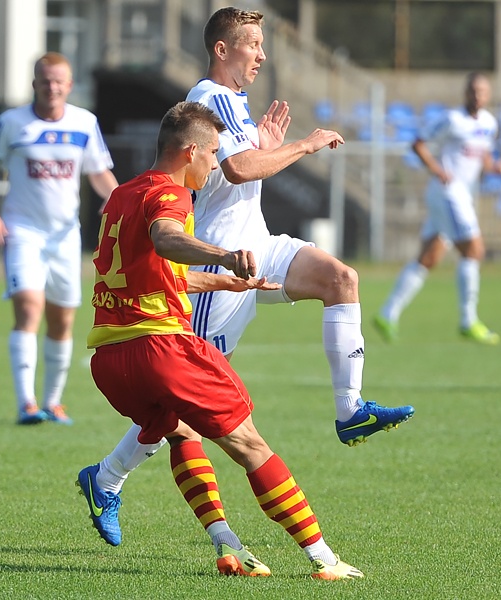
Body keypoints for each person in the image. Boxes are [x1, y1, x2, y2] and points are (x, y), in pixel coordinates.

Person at [76, 6, 413, 547]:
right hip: (219, 256)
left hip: (258, 242)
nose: (262, 54)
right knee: (177, 408)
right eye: (253, 44)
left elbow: (238, 167)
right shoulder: (209, 97)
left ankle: (350, 411)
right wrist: (299, 146)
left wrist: (261, 140)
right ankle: (108, 478)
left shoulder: (231, 103)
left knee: (340, 279)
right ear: (221, 49)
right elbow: (235, 169)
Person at [83, 100, 363, 579]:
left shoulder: (122, 195)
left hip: (111, 359)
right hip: (158, 349)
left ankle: (227, 545)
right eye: (212, 154)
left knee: (182, 432)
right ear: (190, 151)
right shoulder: (171, 196)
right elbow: (167, 239)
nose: (215, 164)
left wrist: (230, 282)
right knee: (251, 445)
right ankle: (324, 559)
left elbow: (157, 272)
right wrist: (225, 255)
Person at [0, 52, 118, 425]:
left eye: (59, 81)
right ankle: (26, 403)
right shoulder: (11, 122)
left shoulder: (84, 123)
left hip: (64, 235)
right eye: (45, 80)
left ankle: (53, 403)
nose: (52, 87)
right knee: (28, 307)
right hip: (22, 229)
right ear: (34, 84)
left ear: (69, 86)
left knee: (62, 319)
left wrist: (116, 200)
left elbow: (99, 172)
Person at [374, 72, 501, 345]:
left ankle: (387, 313)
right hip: (448, 194)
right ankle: (468, 321)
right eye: (473, 90)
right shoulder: (452, 119)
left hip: (461, 196)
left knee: (429, 257)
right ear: (465, 92)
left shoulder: (489, 124)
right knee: (474, 250)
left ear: (488, 95)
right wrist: (438, 170)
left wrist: (494, 166)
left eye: (482, 91)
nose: (477, 95)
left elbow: (482, 154)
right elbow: (418, 143)